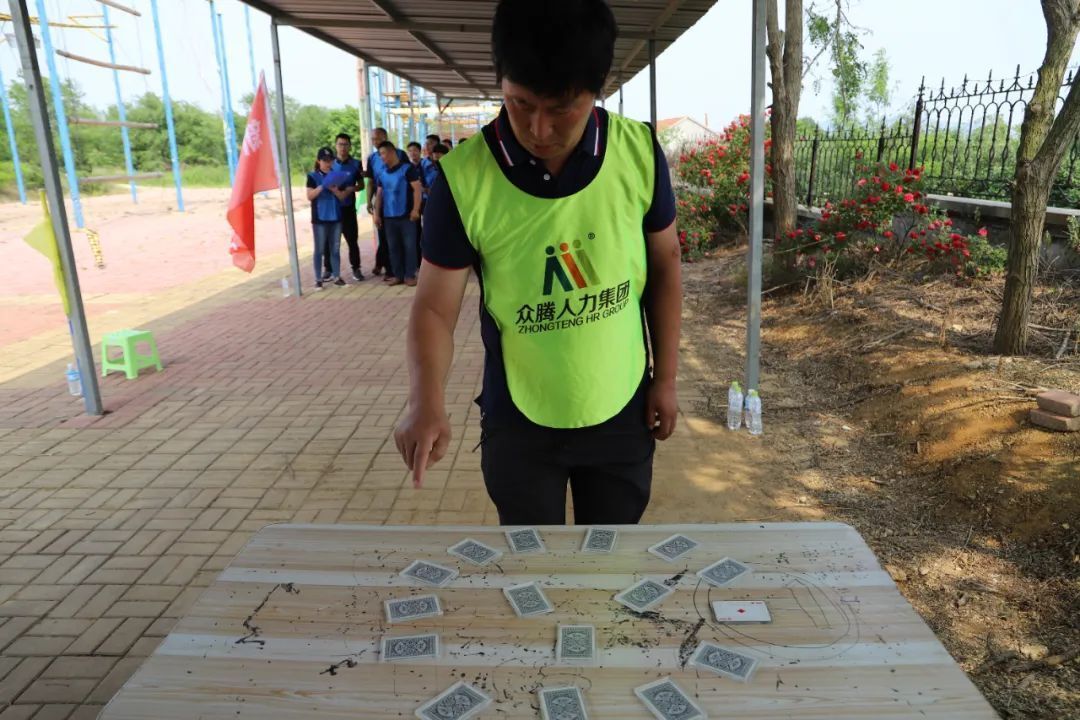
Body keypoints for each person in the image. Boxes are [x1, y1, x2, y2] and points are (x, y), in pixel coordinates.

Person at [393, 0, 681, 527]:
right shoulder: (463, 178)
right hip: (519, 419)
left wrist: (666, 378)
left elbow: (665, 268)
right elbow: (434, 308)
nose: (539, 128)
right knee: (527, 565)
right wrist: (425, 399)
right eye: (519, 103)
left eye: (562, 108)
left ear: (597, 89)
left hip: (622, 406)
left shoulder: (638, 151)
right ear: (500, 81)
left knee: (610, 559)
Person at [372, 141, 423, 287]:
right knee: (393, 247)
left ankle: (409, 275)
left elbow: (417, 189)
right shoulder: (382, 173)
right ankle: (398, 275)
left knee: (409, 246)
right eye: (380, 154)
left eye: (383, 153)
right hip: (388, 217)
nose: (381, 157)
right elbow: (379, 195)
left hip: (407, 215)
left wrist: (415, 209)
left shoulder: (408, 169)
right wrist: (377, 214)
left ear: (392, 152)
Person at [365, 127, 408, 276]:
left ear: (385, 138)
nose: (375, 141)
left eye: (377, 138)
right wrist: (369, 201)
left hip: (400, 202)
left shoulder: (400, 154)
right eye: (373, 139)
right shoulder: (371, 158)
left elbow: (407, 177)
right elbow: (371, 181)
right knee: (384, 236)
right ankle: (390, 269)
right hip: (382, 202)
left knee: (401, 237)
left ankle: (404, 268)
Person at [305, 146, 347, 290]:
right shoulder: (312, 176)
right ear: (319, 161)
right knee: (319, 249)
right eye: (325, 160)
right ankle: (318, 279)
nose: (328, 163)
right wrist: (323, 186)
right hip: (320, 219)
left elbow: (342, 197)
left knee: (335, 249)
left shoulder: (337, 176)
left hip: (336, 218)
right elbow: (309, 196)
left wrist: (335, 190)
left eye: (330, 160)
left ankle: (337, 276)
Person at [333, 133, 365, 282]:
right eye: (340, 144)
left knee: (352, 241)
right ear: (336, 146)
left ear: (350, 146)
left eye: (346, 144)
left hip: (349, 208)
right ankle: (333, 271)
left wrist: (352, 188)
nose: (343, 147)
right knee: (333, 242)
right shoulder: (330, 163)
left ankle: (356, 269)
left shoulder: (356, 164)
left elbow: (361, 185)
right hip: (333, 210)